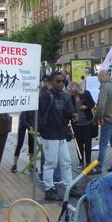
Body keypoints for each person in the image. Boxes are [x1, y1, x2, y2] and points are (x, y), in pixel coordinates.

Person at [38, 71, 78, 201]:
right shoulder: (46, 96)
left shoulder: (63, 96)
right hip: (49, 134)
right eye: (58, 81)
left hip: (60, 134)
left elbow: (66, 113)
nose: (61, 84)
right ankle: (49, 189)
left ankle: (69, 186)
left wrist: (73, 115)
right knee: (51, 163)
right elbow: (39, 114)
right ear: (50, 82)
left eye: (63, 81)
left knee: (66, 162)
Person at [91, 69, 112, 175]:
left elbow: (101, 105)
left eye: (98, 78)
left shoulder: (105, 87)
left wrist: (98, 117)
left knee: (103, 144)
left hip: (108, 118)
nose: (98, 79)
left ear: (103, 76)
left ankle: (99, 166)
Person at [67, 82, 95, 169]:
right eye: (70, 92)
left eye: (72, 92)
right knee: (78, 143)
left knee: (88, 142)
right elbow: (68, 109)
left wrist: (86, 106)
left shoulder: (86, 94)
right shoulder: (69, 98)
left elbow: (92, 104)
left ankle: (88, 161)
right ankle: (81, 161)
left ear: (77, 90)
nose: (71, 93)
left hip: (87, 122)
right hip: (76, 124)